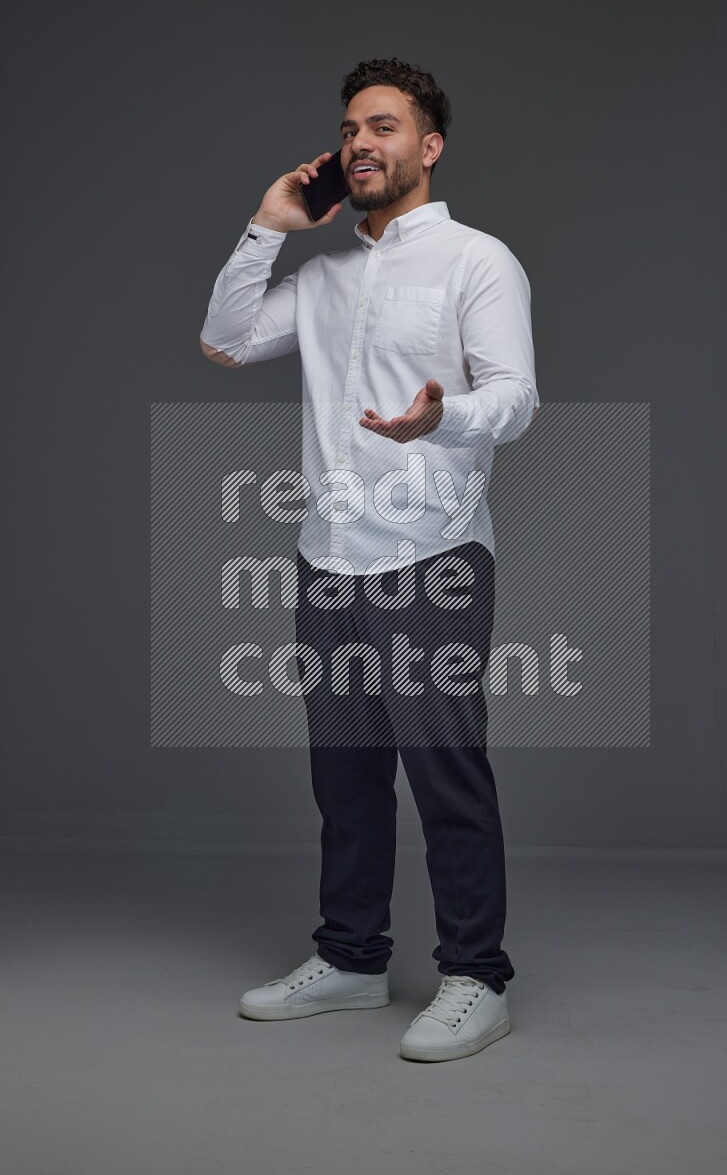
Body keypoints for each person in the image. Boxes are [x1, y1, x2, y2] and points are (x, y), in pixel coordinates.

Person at [199, 57, 540, 1062]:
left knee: (445, 774)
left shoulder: (477, 261)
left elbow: (515, 396)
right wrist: (268, 223)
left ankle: (475, 975)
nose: (359, 144)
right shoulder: (322, 277)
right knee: (344, 776)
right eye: (350, 128)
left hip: (429, 557)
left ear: (427, 147)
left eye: (382, 126)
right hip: (326, 558)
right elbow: (221, 341)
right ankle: (350, 957)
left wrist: (442, 418)